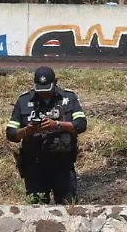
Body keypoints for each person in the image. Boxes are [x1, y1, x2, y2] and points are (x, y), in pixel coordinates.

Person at [5, 66, 87, 204]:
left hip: (62, 165)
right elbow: (11, 133)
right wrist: (27, 131)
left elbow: (81, 124)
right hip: (34, 166)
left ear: (56, 82)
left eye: (47, 89)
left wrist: (57, 125)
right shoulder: (24, 100)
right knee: (36, 208)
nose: (44, 94)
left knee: (67, 207)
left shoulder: (68, 97)